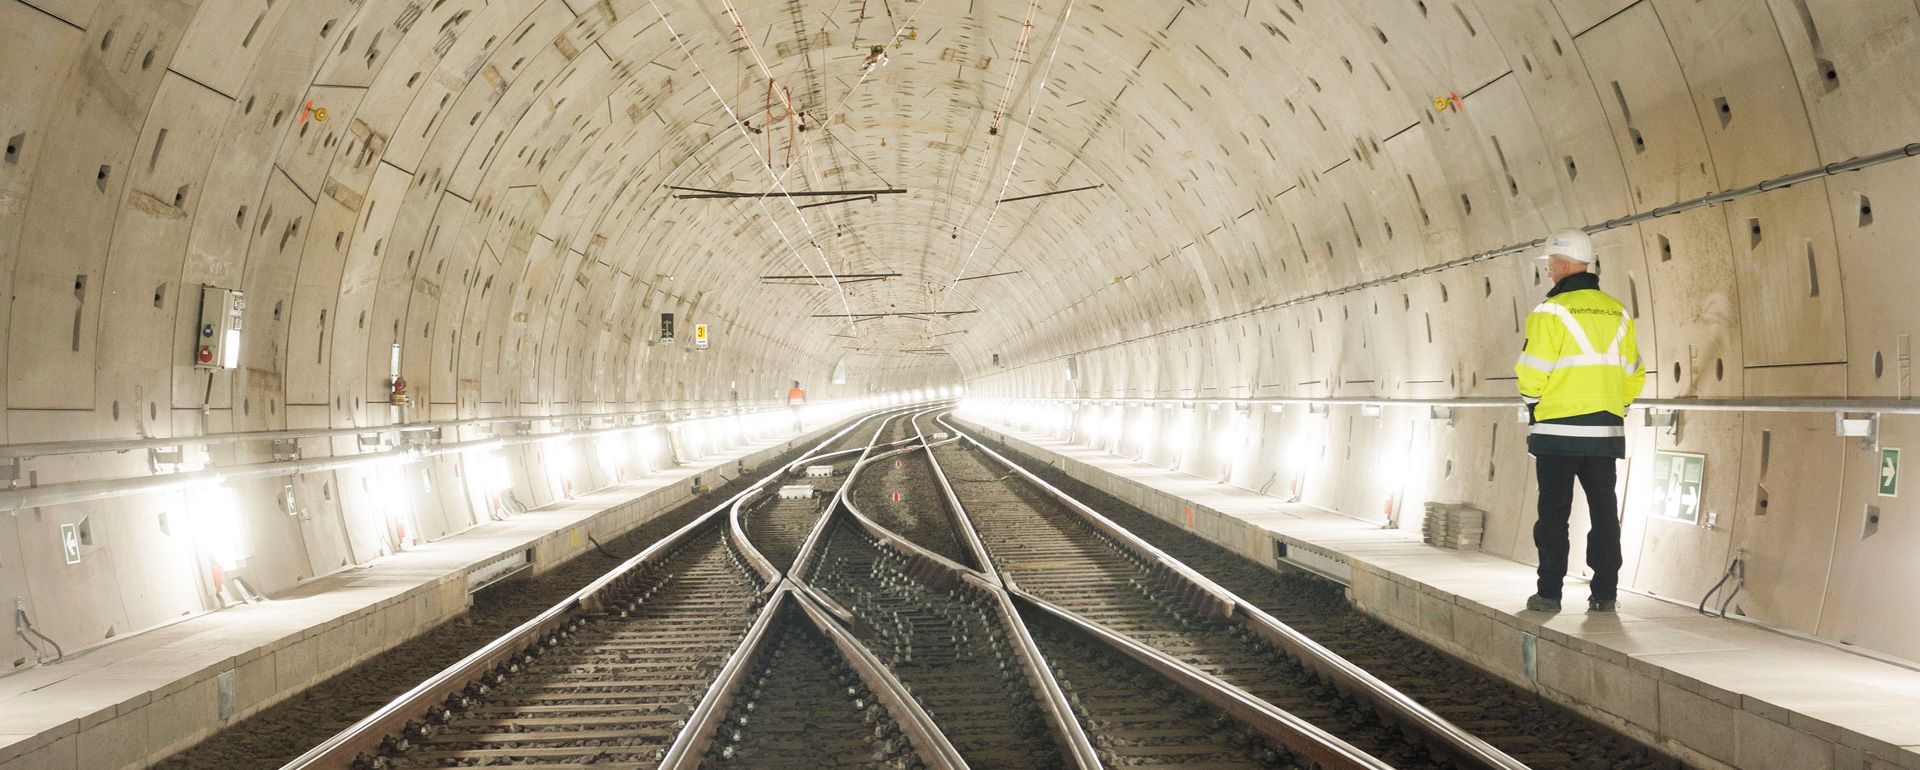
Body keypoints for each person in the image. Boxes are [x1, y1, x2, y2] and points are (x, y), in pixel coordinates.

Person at [1514, 229, 1646, 613]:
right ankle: (1605, 593)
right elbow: (1634, 373)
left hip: (1557, 432)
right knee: (1604, 512)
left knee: (1553, 516)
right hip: (1604, 432)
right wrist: (1612, 407)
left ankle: (1549, 593)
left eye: (1551, 265)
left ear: (1563, 265)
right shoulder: (1617, 311)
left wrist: (1535, 406)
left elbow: (1532, 372)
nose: (1550, 272)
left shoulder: (1550, 311)